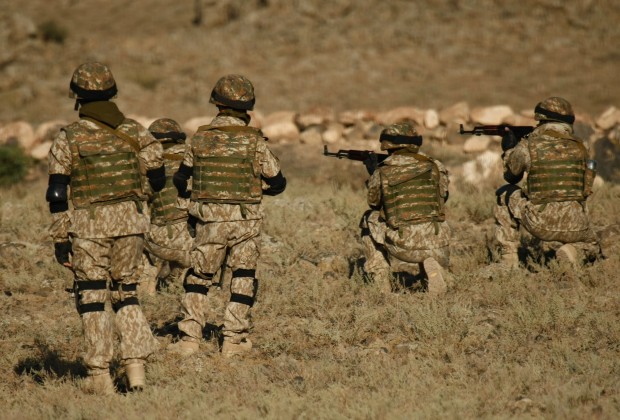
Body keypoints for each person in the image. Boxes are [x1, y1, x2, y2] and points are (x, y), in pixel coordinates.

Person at [46, 62, 165, 394]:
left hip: (89, 226)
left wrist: (59, 238)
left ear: (77, 97)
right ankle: (136, 369)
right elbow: (157, 177)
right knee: (127, 293)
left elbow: (57, 193)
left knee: (93, 297)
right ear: (113, 93)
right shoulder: (137, 131)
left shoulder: (68, 136)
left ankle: (99, 377)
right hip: (131, 222)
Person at [169, 74, 286, 357]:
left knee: (199, 277)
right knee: (243, 276)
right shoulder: (254, 141)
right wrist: (257, 191)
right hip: (246, 221)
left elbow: (180, 178)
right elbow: (278, 182)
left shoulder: (200, 137)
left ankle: (189, 340)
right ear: (247, 108)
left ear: (217, 105)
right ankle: (233, 342)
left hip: (210, 221)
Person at [493, 97, 599, 268]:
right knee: (592, 246)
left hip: (541, 222)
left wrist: (509, 150)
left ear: (540, 118)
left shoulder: (528, 145)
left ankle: (508, 261)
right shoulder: (582, 147)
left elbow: (511, 177)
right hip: (578, 223)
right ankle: (573, 251)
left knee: (505, 192)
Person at [360, 122, 450, 294]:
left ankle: (381, 284)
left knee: (368, 218)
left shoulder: (383, 170)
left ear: (387, 145)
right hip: (437, 244)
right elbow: (443, 197)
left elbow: (373, 202)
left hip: (404, 246)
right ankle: (432, 266)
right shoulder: (435, 165)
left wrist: (372, 173)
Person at [140, 118, 193, 294]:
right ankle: (174, 287)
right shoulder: (194, 156)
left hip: (163, 243)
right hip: (195, 244)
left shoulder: (146, 161)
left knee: (135, 237)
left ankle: (145, 291)